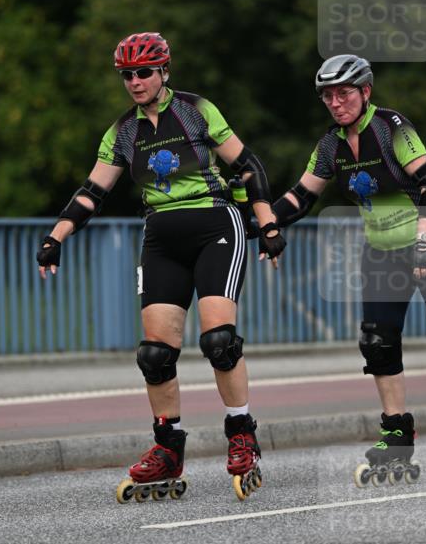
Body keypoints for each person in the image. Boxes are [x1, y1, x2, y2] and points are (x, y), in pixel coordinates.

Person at [37, 32, 286, 500]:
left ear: (164, 72)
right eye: (127, 75)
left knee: (218, 341)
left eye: (144, 72)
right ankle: (168, 448)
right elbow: (92, 191)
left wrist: (268, 223)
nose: (135, 81)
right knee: (154, 354)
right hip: (161, 237)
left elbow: (248, 164)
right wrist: (56, 236)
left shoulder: (196, 110)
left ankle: (241, 434)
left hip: (216, 224)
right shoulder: (123, 132)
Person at [270, 54, 426, 480]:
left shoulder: (391, 128)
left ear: (365, 91)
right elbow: (301, 196)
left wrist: (423, 242)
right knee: (377, 340)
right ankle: (397, 434)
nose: (335, 102)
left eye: (343, 93)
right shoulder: (330, 146)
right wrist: (263, 225)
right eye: (327, 95)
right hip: (383, 250)